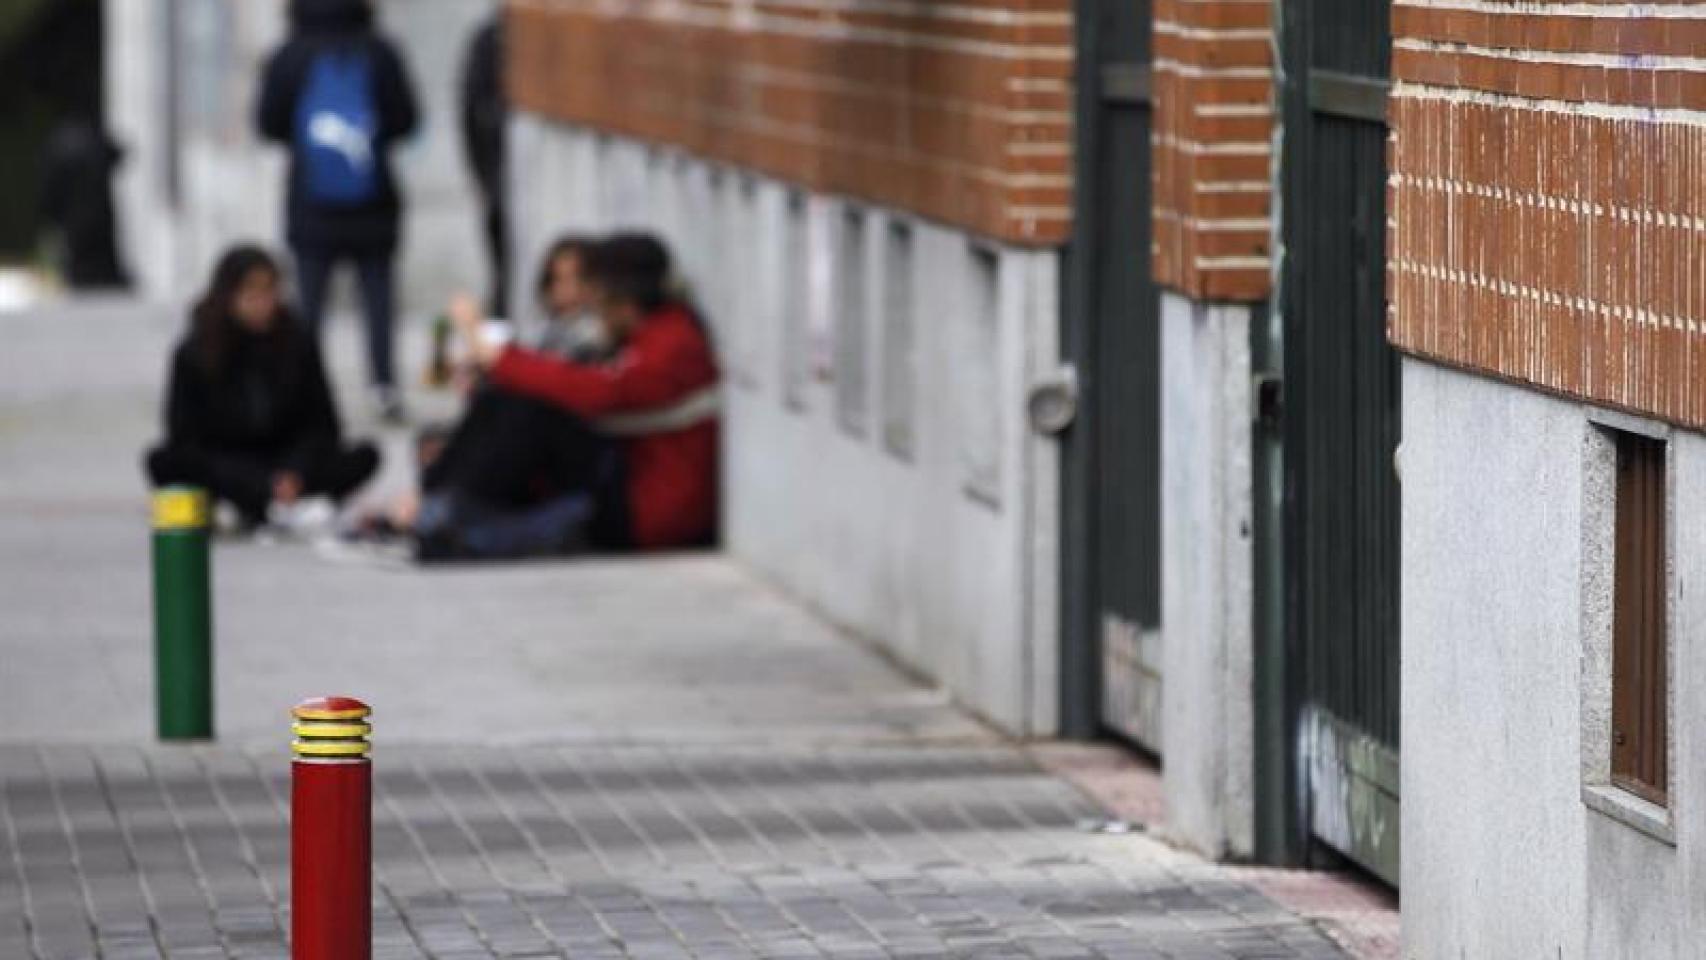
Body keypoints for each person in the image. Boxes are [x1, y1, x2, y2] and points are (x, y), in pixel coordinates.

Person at [447, 234, 722, 554]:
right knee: (506, 402)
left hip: (647, 511)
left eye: (600, 304)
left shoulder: (671, 345)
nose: (597, 315)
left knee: (528, 409)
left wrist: (499, 355)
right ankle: (438, 504)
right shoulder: (654, 335)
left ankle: (441, 509)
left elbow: (599, 393)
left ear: (624, 301)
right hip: (630, 484)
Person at [256, 0, 420, 422]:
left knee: (310, 305)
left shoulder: (290, 53)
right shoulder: (381, 51)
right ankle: (383, 386)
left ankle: (306, 395)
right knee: (378, 300)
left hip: (311, 200)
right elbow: (406, 119)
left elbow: (268, 123)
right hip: (375, 200)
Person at [145, 245, 380, 531]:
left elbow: (322, 424)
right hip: (227, 464)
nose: (260, 303)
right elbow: (183, 435)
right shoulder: (195, 351)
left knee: (363, 455)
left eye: (268, 292)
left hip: (286, 461)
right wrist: (254, 480)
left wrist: (294, 472)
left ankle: (273, 503)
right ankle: (261, 503)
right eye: (250, 293)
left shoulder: (297, 342)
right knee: (166, 462)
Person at [459, 15, 508, 318]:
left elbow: (469, 116)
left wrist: (482, 177)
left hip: (497, 179)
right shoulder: (494, 39)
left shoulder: (489, 37)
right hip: (501, 180)